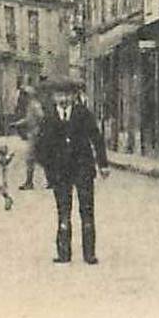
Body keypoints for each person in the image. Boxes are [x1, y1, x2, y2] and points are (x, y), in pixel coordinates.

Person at [34, 77, 109, 266]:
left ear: (74, 96)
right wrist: (49, 169)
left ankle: (89, 254)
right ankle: (63, 253)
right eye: (59, 95)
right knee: (63, 211)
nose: (63, 99)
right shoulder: (48, 117)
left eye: (67, 94)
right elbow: (40, 146)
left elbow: (97, 139)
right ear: (53, 97)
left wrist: (103, 164)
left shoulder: (83, 114)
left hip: (83, 169)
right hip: (60, 173)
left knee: (87, 210)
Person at [15, 87, 45, 190]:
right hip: (33, 133)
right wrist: (18, 123)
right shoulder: (31, 105)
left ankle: (29, 182)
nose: (22, 98)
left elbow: (40, 117)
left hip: (34, 134)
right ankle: (50, 181)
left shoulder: (34, 105)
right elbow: (29, 119)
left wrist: (38, 129)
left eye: (23, 95)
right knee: (38, 158)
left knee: (30, 158)